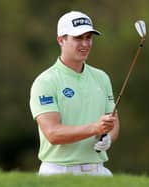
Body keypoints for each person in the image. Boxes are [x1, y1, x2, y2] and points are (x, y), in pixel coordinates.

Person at [29, 11, 120, 176]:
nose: (85, 44)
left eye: (88, 38)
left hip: (97, 169)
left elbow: (112, 122)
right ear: (61, 40)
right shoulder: (45, 82)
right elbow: (53, 133)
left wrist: (108, 137)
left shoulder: (101, 78)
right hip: (58, 171)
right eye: (78, 38)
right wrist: (94, 128)